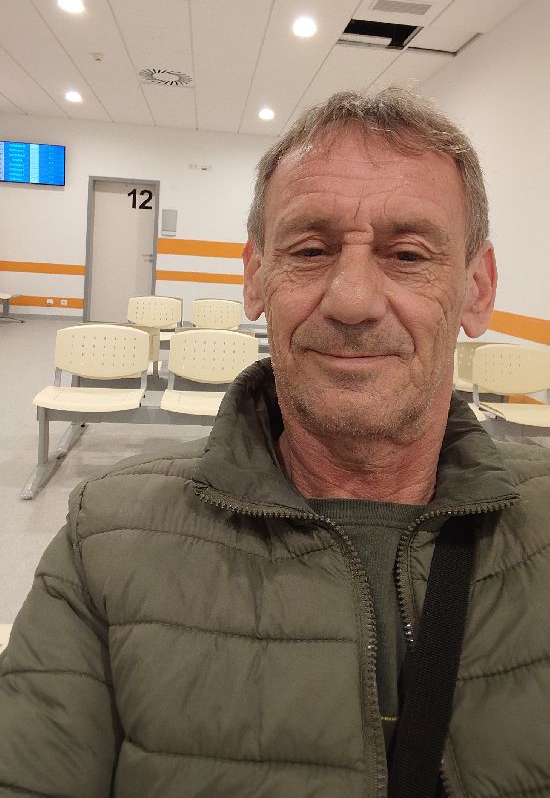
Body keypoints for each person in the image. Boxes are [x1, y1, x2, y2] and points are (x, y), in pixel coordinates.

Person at [1, 88, 549, 798]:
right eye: (310, 250)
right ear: (256, 277)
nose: (352, 299)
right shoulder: (103, 543)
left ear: (478, 288)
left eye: (408, 253)